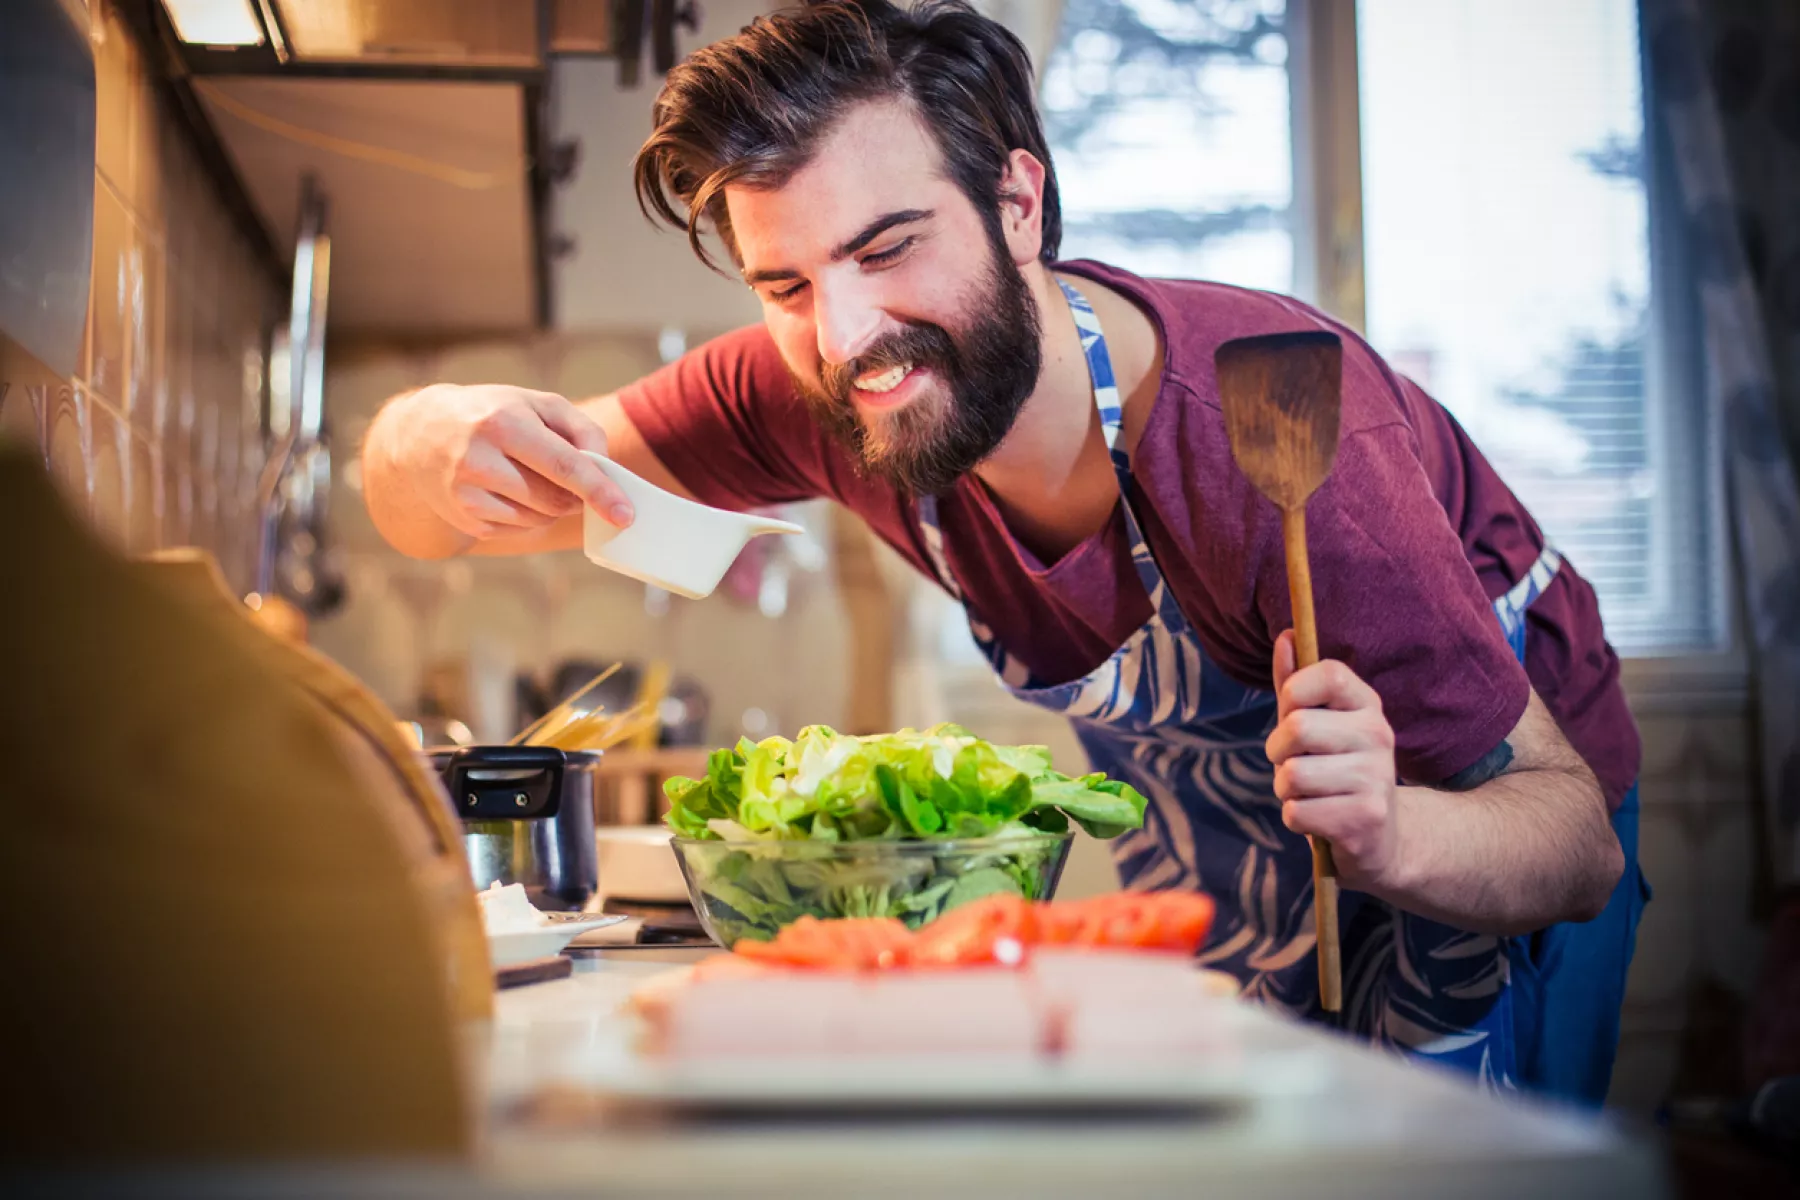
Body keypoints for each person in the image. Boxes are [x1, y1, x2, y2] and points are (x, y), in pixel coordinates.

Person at [360, 0, 1648, 1103]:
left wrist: (1396, 837)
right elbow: (463, 501)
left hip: (1477, 834)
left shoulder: (1268, 444)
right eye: (785, 285)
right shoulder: (819, 387)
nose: (845, 337)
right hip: (1253, 866)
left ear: (1018, 202)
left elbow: (1571, 843)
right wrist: (427, 435)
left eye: (887, 248)